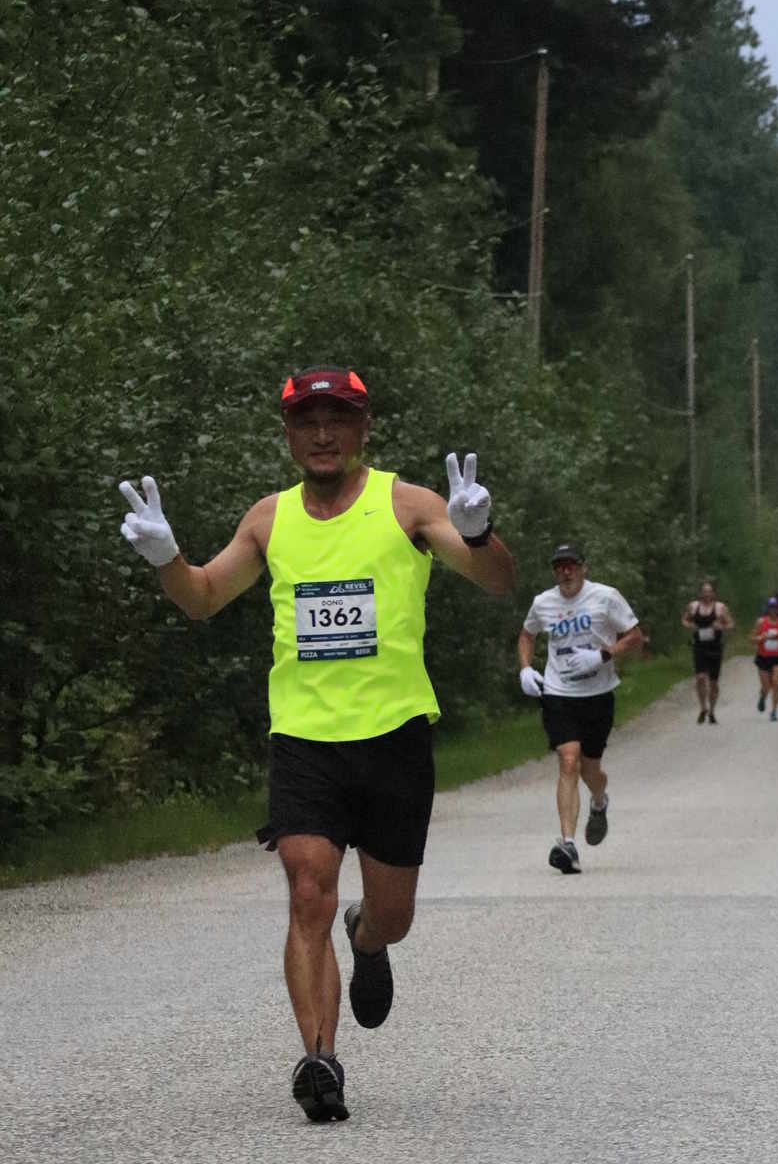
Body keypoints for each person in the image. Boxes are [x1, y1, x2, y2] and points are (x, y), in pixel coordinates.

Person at [118, 363, 515, 1125]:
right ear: (288, 434)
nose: (323, 433)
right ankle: (320, 1061)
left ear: (364, 428)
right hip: (304, 737)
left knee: (392, 915)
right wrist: (167, 559)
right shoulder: (268, 519)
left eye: (338, 418)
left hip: (394, 735)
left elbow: (495, 580)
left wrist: (477, 532)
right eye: (307, 421)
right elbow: (203, 597)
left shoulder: (408, 504)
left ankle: (368, 940)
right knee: (307, 890)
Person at [518, 543, 642, 874]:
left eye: (571, 565)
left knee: (591, 770)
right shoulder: (543, 603)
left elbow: (635, 636)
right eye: (559, 567)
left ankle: (599, 801)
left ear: (583, 567)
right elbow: (527, 635)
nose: (566, 572)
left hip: (598, 694)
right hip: (559, 692)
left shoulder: (605, 597)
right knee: (568, 760)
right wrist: (526, 669)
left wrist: (602, 655)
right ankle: (568, 844)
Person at [681, 578, 734, 724]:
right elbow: (684, 620)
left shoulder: (720, 608)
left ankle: (712, 710)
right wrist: (690, 625)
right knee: (700, 678)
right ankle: (703, 707)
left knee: (713, 682)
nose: (706, 594)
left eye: (709, 591)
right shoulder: (693, 606)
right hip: (699, 646)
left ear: (713, 593)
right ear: (700, 593)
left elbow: (730, 624)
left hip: (715, 647)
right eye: (704, 591)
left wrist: (721, 626)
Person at [751, 595, 778, 719]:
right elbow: (752, 639)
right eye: (771, 607)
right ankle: (763, 697)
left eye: (775, 607)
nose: (773, 610)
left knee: (776, 683)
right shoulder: (761, 622)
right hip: (763, 657)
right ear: (767, 608)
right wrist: (761, 638)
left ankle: (774, 711)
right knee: (766, 686)